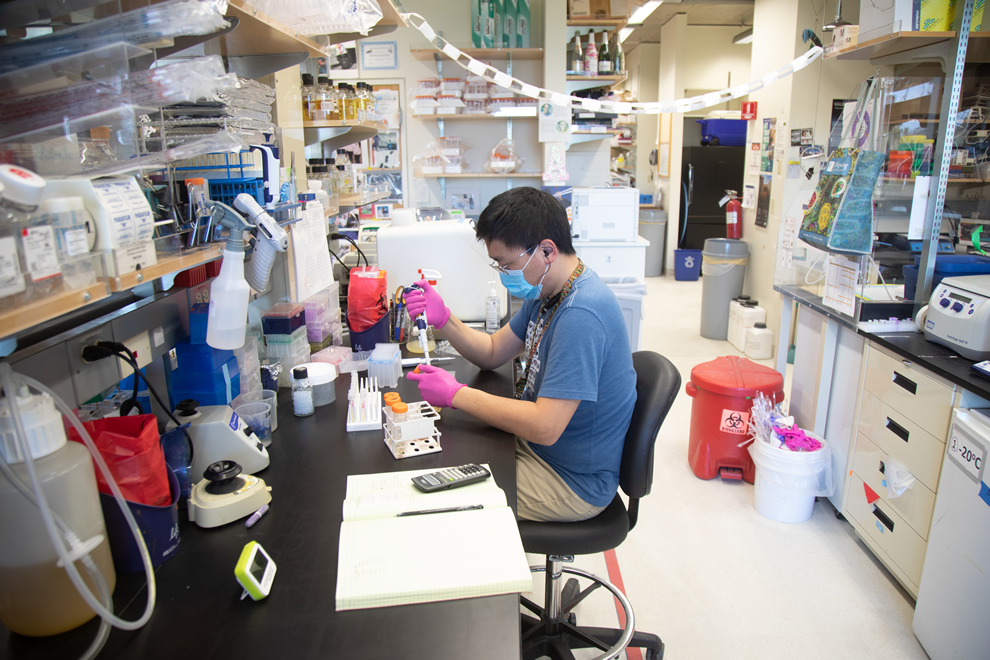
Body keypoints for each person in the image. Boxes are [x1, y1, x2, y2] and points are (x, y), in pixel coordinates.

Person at [405, 187, 636, 522]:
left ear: (546, 251)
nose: (503, 274)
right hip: (541, 450)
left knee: (445, 508)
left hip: (570, 480)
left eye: (506, 264)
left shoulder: (581, 314)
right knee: (448, 458)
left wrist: (456, 394)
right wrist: (445, 320)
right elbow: (493, 351)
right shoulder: (548, 291)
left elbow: (545, 426)